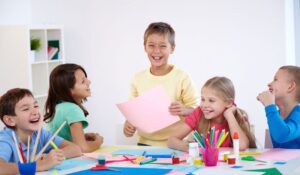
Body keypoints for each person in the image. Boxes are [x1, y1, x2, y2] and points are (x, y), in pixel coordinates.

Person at [123, 22, 199, 146]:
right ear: (145, 47)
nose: (156, 51)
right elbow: (133, 113)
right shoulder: (138, 78)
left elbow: (198, 111)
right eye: (151, 45)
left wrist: (184, 110)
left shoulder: (182, 77)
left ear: (172, 48)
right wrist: (128, 125)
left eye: (163, 46)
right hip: (144, 144)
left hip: (176, 144)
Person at [0, 88, 81, 174]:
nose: (35, 112)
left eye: (35, 106)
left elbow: (76, 149)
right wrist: (37, 166)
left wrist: (51, 158)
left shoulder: (40, 134)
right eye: (26, 109)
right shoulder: (5, 140)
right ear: (10, 120)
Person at [168, 77, 256, 151]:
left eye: (211, 100)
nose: (204, 105)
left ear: (229, 103)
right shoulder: (198, 113)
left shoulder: (237, 116)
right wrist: (192, 148)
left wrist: (229, 116)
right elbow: (171, 140)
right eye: (202, 99)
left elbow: (242, 146)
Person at [44, 63, 103, 153]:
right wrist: (98, 142)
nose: (89, 82)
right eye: (83, 81)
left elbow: (61, 137)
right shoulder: (73, 109)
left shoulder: (59, 107)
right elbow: (82, 149)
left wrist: (82, 136)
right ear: (68, 89)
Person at [257, 65, 300, 149]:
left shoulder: (298, 114)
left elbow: (282, 135)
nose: (269, 84)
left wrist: (270, 105)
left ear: (290, 86)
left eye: (275, 80)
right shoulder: (275, 115)